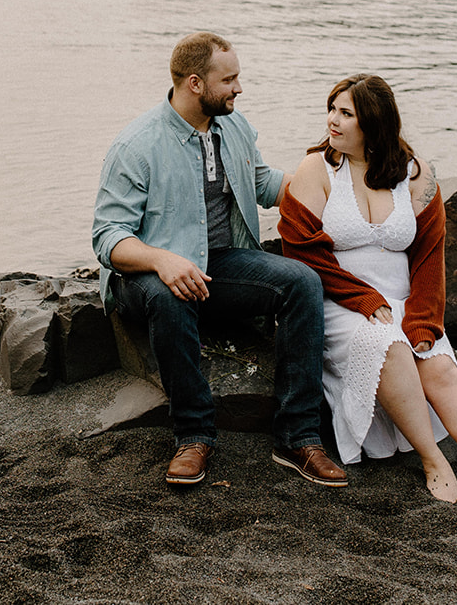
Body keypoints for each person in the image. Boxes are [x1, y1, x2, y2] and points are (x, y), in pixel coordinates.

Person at [277, 74, 457, 512]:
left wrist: (424, 319)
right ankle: (433, 459)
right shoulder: (317, 169)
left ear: (374, 123)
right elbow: (302, 252)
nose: (332, 120)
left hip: (403, 301)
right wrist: (364, 301)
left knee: (441, 369)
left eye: (345, 113)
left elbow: (430, 256)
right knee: (386, 344)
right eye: (332, 108)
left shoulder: (415, 173)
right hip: (341, 304)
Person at [93, 32, 347, 488]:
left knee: (302, 282)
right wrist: (162, 261)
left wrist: (336, 186)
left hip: (220, 264)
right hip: (145, 276)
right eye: (229, 79)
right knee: (170, 296)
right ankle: (194, 436)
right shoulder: (136, 146)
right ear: (195, 83)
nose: (239, 88)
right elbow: (108, 238)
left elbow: (263, 182)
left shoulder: (234, 127)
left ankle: (298, 437)